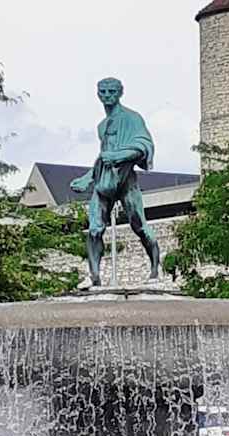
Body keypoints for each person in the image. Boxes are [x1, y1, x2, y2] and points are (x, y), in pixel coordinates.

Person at [70, 78, 160, 287]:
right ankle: (94, 276)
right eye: (103, 92)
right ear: (98, 94)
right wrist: (87, 178)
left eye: (111, 91)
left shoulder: (132, 118)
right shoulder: (102, 126)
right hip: (104, 180)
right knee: (94, 229)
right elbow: (103, 157)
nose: (107, 95)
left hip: (126, 179)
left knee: (139, 225)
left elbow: (144, 146)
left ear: (120, 93)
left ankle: (156, 269)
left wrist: (119, 156)